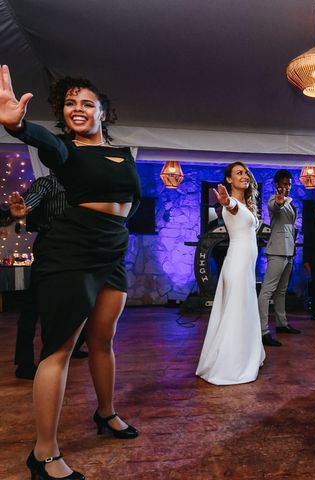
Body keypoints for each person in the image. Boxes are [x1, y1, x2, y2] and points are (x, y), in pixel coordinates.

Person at [1, 65, 140, 480]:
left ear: (103, 112)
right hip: (72, 250)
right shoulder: (66, 150)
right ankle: (43, 454)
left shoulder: (123, 153)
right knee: (59, 349)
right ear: (64, 115)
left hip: (113, 250)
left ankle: (106, 413)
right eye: (69, 104)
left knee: (104, 340)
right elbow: (49, 147)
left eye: (86, 103)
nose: (77, 108)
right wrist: (21, 127)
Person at [9, 174, 88, 381]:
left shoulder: (85, 182)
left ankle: (72, 346)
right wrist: (22, 208)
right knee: (34, 306)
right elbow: (32, 199)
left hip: (80, 249)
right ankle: (25, 363)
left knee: (83, 302)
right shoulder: (49, 181)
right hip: (51, 249)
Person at [197, 162, 266, 385]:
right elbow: (231, 204)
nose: (244, 176)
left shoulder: (248, 203)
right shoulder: (232, 203)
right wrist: (226, 201)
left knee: (244, 309)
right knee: (236, 312)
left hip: (245, 266)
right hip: (236, 265)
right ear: (228, 180)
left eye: (245, 172)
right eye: (238, 173)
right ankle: (230, 365)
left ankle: (246, 354)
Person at [258, 169, 300, 347]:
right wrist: (279, 201)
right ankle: (263, 331)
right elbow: (275, 207)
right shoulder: (274, 200)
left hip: (289, 250)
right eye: (284, 183)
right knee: (267, 291)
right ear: (277, 185)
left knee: (281, 291)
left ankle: (282, 324)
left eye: (289, 183)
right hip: (277, 250)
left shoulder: (289, 202)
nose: (287, 187)